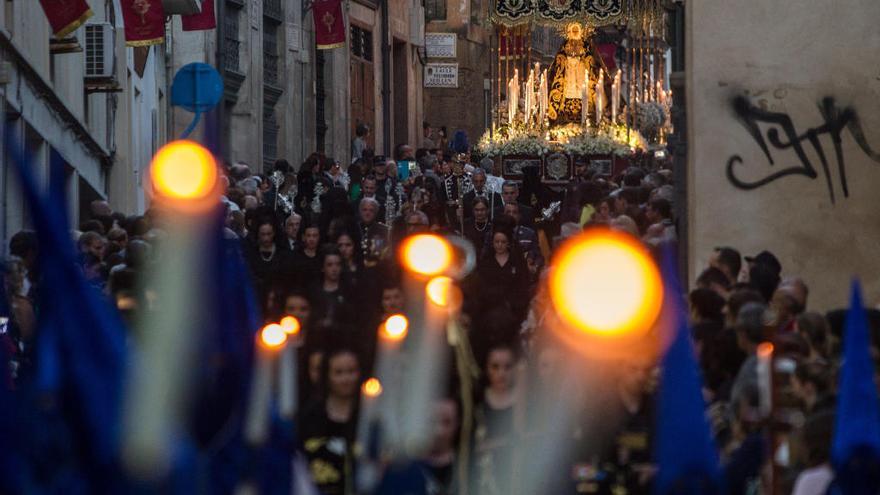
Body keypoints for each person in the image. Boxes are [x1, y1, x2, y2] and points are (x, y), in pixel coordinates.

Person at [298, 348, 362, 495]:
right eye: (338, 373)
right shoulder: (310, 416)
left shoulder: (367, 415)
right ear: (327, 376)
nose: (346, 379)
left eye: (351, 371)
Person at [473, 343, 520, 495]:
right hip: (484, 480)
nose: (501, 373)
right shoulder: (476, 402)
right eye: (495, 367)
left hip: (518, 477)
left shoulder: (524, 403)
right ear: (486, 368)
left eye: (507, 367)